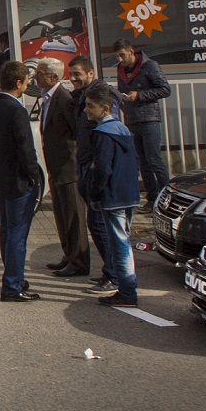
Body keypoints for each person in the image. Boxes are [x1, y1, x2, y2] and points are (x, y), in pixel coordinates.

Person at [0, 61, 45, 303]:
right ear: (19, 84)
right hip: (18, 181)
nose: (28, 84)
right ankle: (13, 285)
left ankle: (14, 277)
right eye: (27, 81)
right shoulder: (16, 111)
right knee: (16, 234)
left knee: (6, 231)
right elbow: (26, 149)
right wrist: (33, 176)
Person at [79, 88, 141, 307]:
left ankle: (127, 292)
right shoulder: (122, 129)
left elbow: (102, 168)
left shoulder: (102, 133)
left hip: (113, 195)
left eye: (90, 106)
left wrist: (94, 194)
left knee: (119, 244)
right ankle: (127, 287)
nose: (86, 110)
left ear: (105, 108)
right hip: (130, 193)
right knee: (123, 241)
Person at [68, 55, 123, 295]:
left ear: (91, 73)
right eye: (70, 74)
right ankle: (111, 272)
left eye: (77, 74)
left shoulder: (103, 94)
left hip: (96, 167)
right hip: (87, 163)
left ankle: (114, 275)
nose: (73, 79)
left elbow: (112, 132)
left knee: (100, 223)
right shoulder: (82, 95)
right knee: (96, 222)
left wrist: (97, 166)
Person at [34, 59, 90, 278]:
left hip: (68, 167)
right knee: (62, 214)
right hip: (55, 167)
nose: (36, 77)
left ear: (53, 77)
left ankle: (79, 261)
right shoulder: (47, 98)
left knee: (74, 215)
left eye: (40, 73)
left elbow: (77, 133)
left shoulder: (64, 99)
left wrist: (73, 161)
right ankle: (68, 255)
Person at [113, 39, 170, 208]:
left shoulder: (149, 65)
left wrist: (139, 95)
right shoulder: (121, 69)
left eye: (122, 55)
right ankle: (152, 198)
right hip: (133, 118)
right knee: (142, 162)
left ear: (131, 52)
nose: (121, 60)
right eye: (118, 56)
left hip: (149, 118)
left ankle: (167, 197)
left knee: (154, 160)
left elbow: (165, 89)